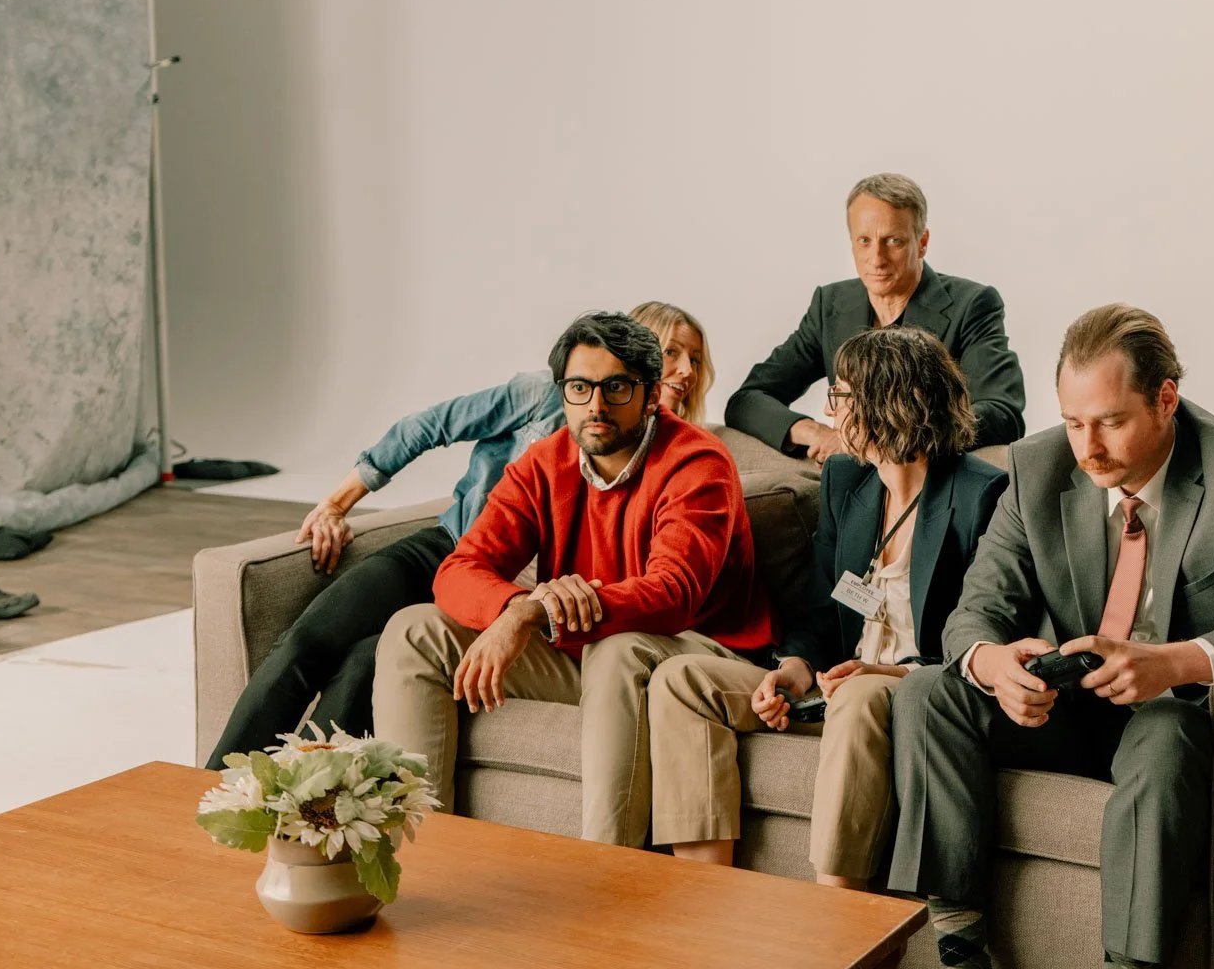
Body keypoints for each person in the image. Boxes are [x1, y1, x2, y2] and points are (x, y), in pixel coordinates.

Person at [887, 305, 1214, 969]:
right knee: (925, 692)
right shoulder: (1038, 467)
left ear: (1165, 399)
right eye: (1074, 422)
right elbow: (973, 613)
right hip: (1061, 709)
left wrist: (1176, 662)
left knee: (1167, 732)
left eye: (1108, 421)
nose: (1087, 448)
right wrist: (991, 663)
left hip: (1167, 717)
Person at [204, 304, 715, 768]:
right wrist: (338, 502)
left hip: (523, 600)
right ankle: (218, 788)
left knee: (369, 663)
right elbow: (429, 426)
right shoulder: (542, 396)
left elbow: (660, 580)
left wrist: (531, 611)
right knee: (310, 639)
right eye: (670, 353)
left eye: (693, 358)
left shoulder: (675, 456)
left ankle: (299, 801)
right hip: (451, 552)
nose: (684, 371)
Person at [647, 327, 1006, 892]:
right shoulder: (845, 480)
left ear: (889, 401)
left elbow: (976, 637)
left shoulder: (981, 494)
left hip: (908, 686)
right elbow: (820, 608)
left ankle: (834, 913)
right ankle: (702, 891)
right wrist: (792, 668)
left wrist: (883, 672)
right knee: (681, 677)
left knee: (858, 693)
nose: (826, 410)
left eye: (839, 395)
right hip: (834, 681)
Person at [724, 173, 1026, 460]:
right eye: (864, 240)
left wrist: (873, 437)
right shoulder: (830, 305)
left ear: (922, 242)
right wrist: (815, 433)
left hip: (924, 477)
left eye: (893, 241)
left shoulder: (971, 305)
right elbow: (748, 401)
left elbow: (1002, 414)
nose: (876, 259)